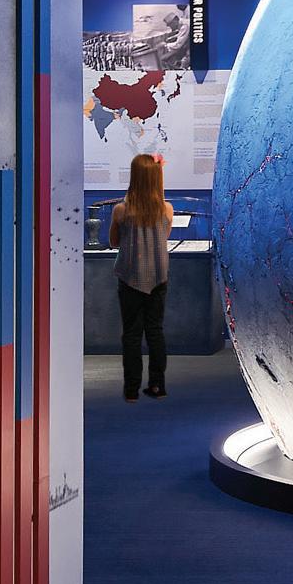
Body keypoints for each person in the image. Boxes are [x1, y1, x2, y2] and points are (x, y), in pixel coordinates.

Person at [109, 152, 172, 402]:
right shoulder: (166, 210)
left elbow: (114, 242)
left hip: (130, 279)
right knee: (155, 331)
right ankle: (157, 385)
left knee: (132, 334)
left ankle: (131, 390)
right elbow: (164, 237)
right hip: (158, 278)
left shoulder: (121, 211)